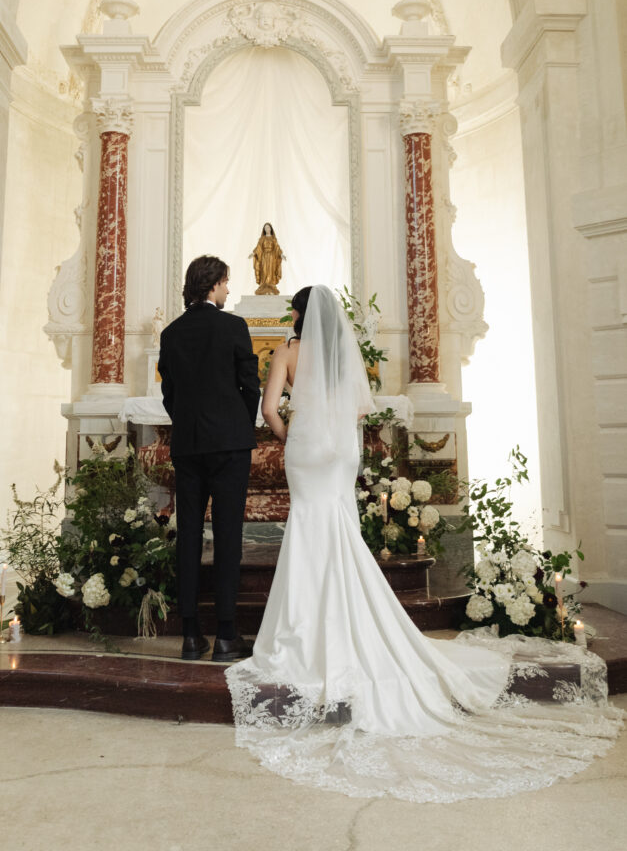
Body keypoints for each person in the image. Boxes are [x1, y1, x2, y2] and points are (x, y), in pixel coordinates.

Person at [225, 285, 623, 801]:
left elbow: (269, 407)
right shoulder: (343, 354)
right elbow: (361, 411)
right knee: (340, 527)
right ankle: (353, 617)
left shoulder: (287, 352)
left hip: (306, 447)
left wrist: (287, 434)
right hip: (340, 452)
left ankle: (307, 625)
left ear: (299, 314)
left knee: (309, 526)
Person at [158, 256, 260, 662]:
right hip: (230, 444)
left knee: (188, 538)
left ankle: (188, 636)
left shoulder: (171, 333)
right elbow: (249, 385)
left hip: (188, 444)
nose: (228, 291)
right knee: (228, 537)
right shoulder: (233, 327)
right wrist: (237, 422)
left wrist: (188, 423)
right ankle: (225, 636)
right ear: (214, 284)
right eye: (226, 283)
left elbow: (170, 393)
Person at [250, 222, 284, 295]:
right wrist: (254, 253)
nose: (267, 229)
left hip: (272, 258)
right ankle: (264, 286)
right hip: (264, 257)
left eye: (268, 227)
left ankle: (271, 287)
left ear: (271, 229)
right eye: (265, 228)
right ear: (264, 229)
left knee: (271, 272)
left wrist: (281, 254)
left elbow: (277, 248)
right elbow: (259, 247)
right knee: (264, 271)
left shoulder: (273, 238)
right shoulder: (262, 238)